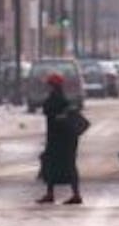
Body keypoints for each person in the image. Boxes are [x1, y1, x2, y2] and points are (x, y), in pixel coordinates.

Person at [37, 73, 87, 205]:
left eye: (49, 85)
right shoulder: (63, 99)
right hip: (66, 138)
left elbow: (48, 111)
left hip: (59, 139)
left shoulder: (56, 99)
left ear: (53, 86)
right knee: (65, 164)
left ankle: (59, 194)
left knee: (55, 164)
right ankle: (70, 194)